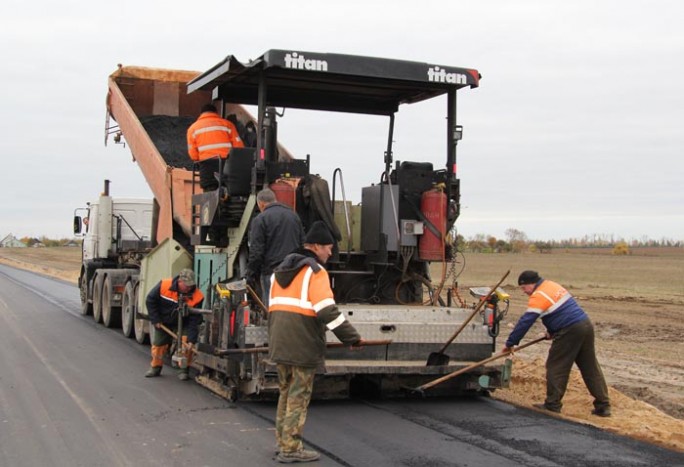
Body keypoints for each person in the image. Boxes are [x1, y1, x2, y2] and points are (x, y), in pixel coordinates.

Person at [268, 221, 363, 463]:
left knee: (285, 392)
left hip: (280, 342)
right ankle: (290, 449)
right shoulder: (316, 272)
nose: (330, 253)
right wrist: (351, 337)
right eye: (328, 248)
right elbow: (326, 311)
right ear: (317, 246)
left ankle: (283, 442)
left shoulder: (278, 272)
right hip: (302, 343)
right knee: (298, 396)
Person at [503, 270, 611, 417]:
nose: (524, 292)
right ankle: (603, 406)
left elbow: (525, 322)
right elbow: (559, 310)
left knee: (556, 367)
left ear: (530, 284)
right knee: (590, 367)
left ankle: (552, 404)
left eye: (523, 288)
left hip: (570, 330)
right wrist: (552, 331)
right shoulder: (552, 285)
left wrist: (510, 343)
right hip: (584, 325)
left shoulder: (538, 295)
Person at [245, 188, 305, 306]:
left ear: (260, 204)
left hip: (271, 272)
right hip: (293, 271)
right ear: (274, 199)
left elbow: (256, 252)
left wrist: (250, 274)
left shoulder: (260, 220)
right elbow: (302, 243)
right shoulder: (293, 216)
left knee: (272, 309)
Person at [144, 268, 204, 381]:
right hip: (164, 321)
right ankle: (155, 367)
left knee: (186, 344)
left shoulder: (198, 296)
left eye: (191, 285)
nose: (189, 288)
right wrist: (155, 319)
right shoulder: (164, 286)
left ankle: (183, 370)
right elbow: (150, 300)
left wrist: (192, 339)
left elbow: (194, 320)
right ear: (179, 281)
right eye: (186, 285)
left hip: (184, 322)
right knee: (158, 344)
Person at [187, 103, 244, 191]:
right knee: (229, 192)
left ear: (201, 114)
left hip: (207, 168)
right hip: (227, 167)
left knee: (209, 196)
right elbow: (239, 148)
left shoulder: (193, 129)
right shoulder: (228, 125)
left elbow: (193, 155)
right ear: (216, 113)